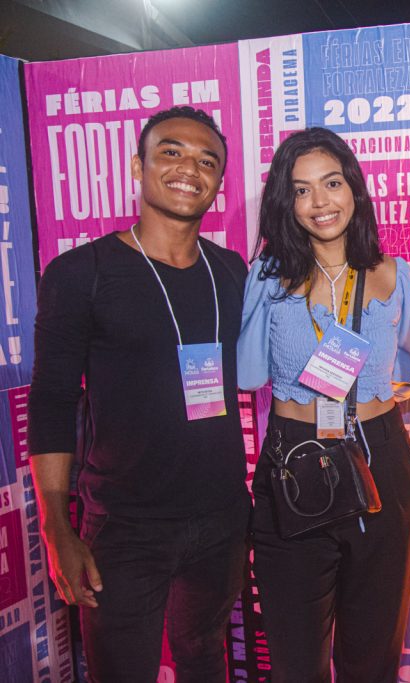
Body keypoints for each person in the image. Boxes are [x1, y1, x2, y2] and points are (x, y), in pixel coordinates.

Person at [28, 106, 250, 681]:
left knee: (206, 659)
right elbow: (52, 403)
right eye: (171, 152)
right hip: (125, 527)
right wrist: (57, 527)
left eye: (208, 160)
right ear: (138, 165)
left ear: (219, 182)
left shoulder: (231, 271)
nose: (189, 169)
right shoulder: (82, 272)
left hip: (222, 518)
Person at [238, 126, 410, 682]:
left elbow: (409, 364)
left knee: (373, 653)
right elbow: (249, 374)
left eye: (332, 183)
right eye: (301, 190)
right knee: (296, 662)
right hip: (293, 463)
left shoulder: (393, 274)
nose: (320, 202)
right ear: (285, 202)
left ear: (355, 189)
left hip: (379, 458)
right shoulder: (269, 278)